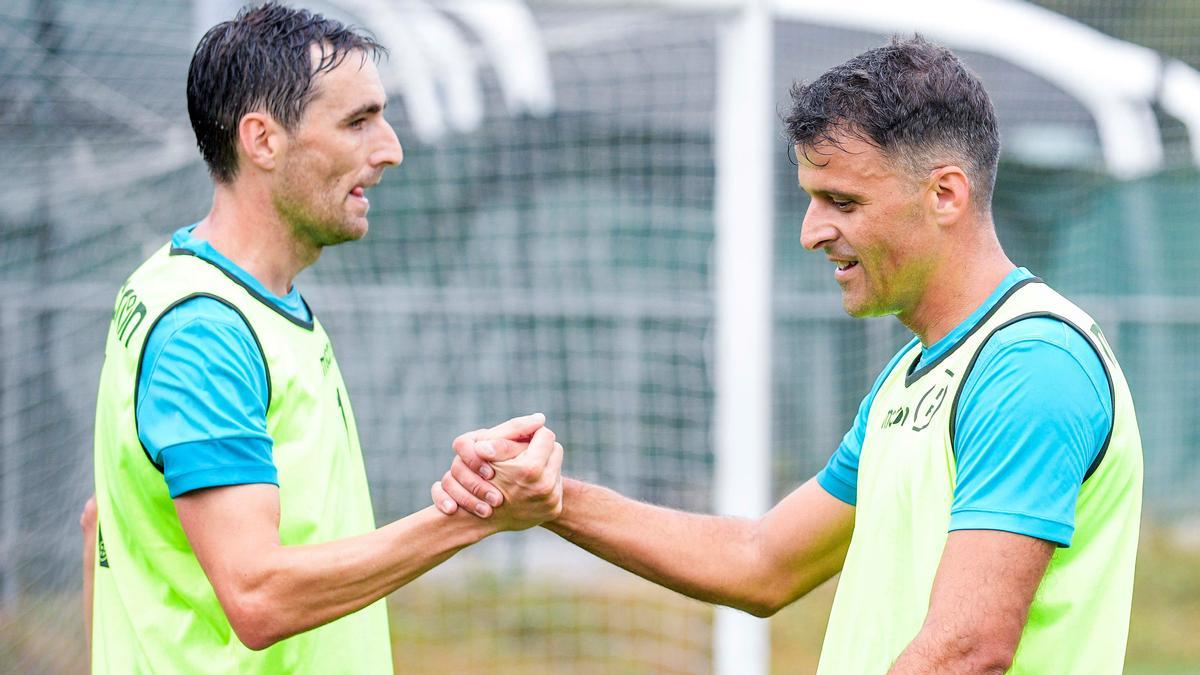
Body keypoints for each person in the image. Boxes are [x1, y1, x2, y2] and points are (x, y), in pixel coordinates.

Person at [437, 36, 1144, 674]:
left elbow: (964, 652)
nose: (811, 231)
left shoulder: (1031, 365)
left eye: (841, 200)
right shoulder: (914, 375)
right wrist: (553, 500)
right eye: (810, 199)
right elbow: (761, 561)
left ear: (946, 194)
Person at [85, 4, 562, 673]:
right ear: (263, 140)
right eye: (358, 121)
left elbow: (100, 523)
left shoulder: (227, 295)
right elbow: (257, 594)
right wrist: (473, 515)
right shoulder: (206, 332)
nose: (390, 148)